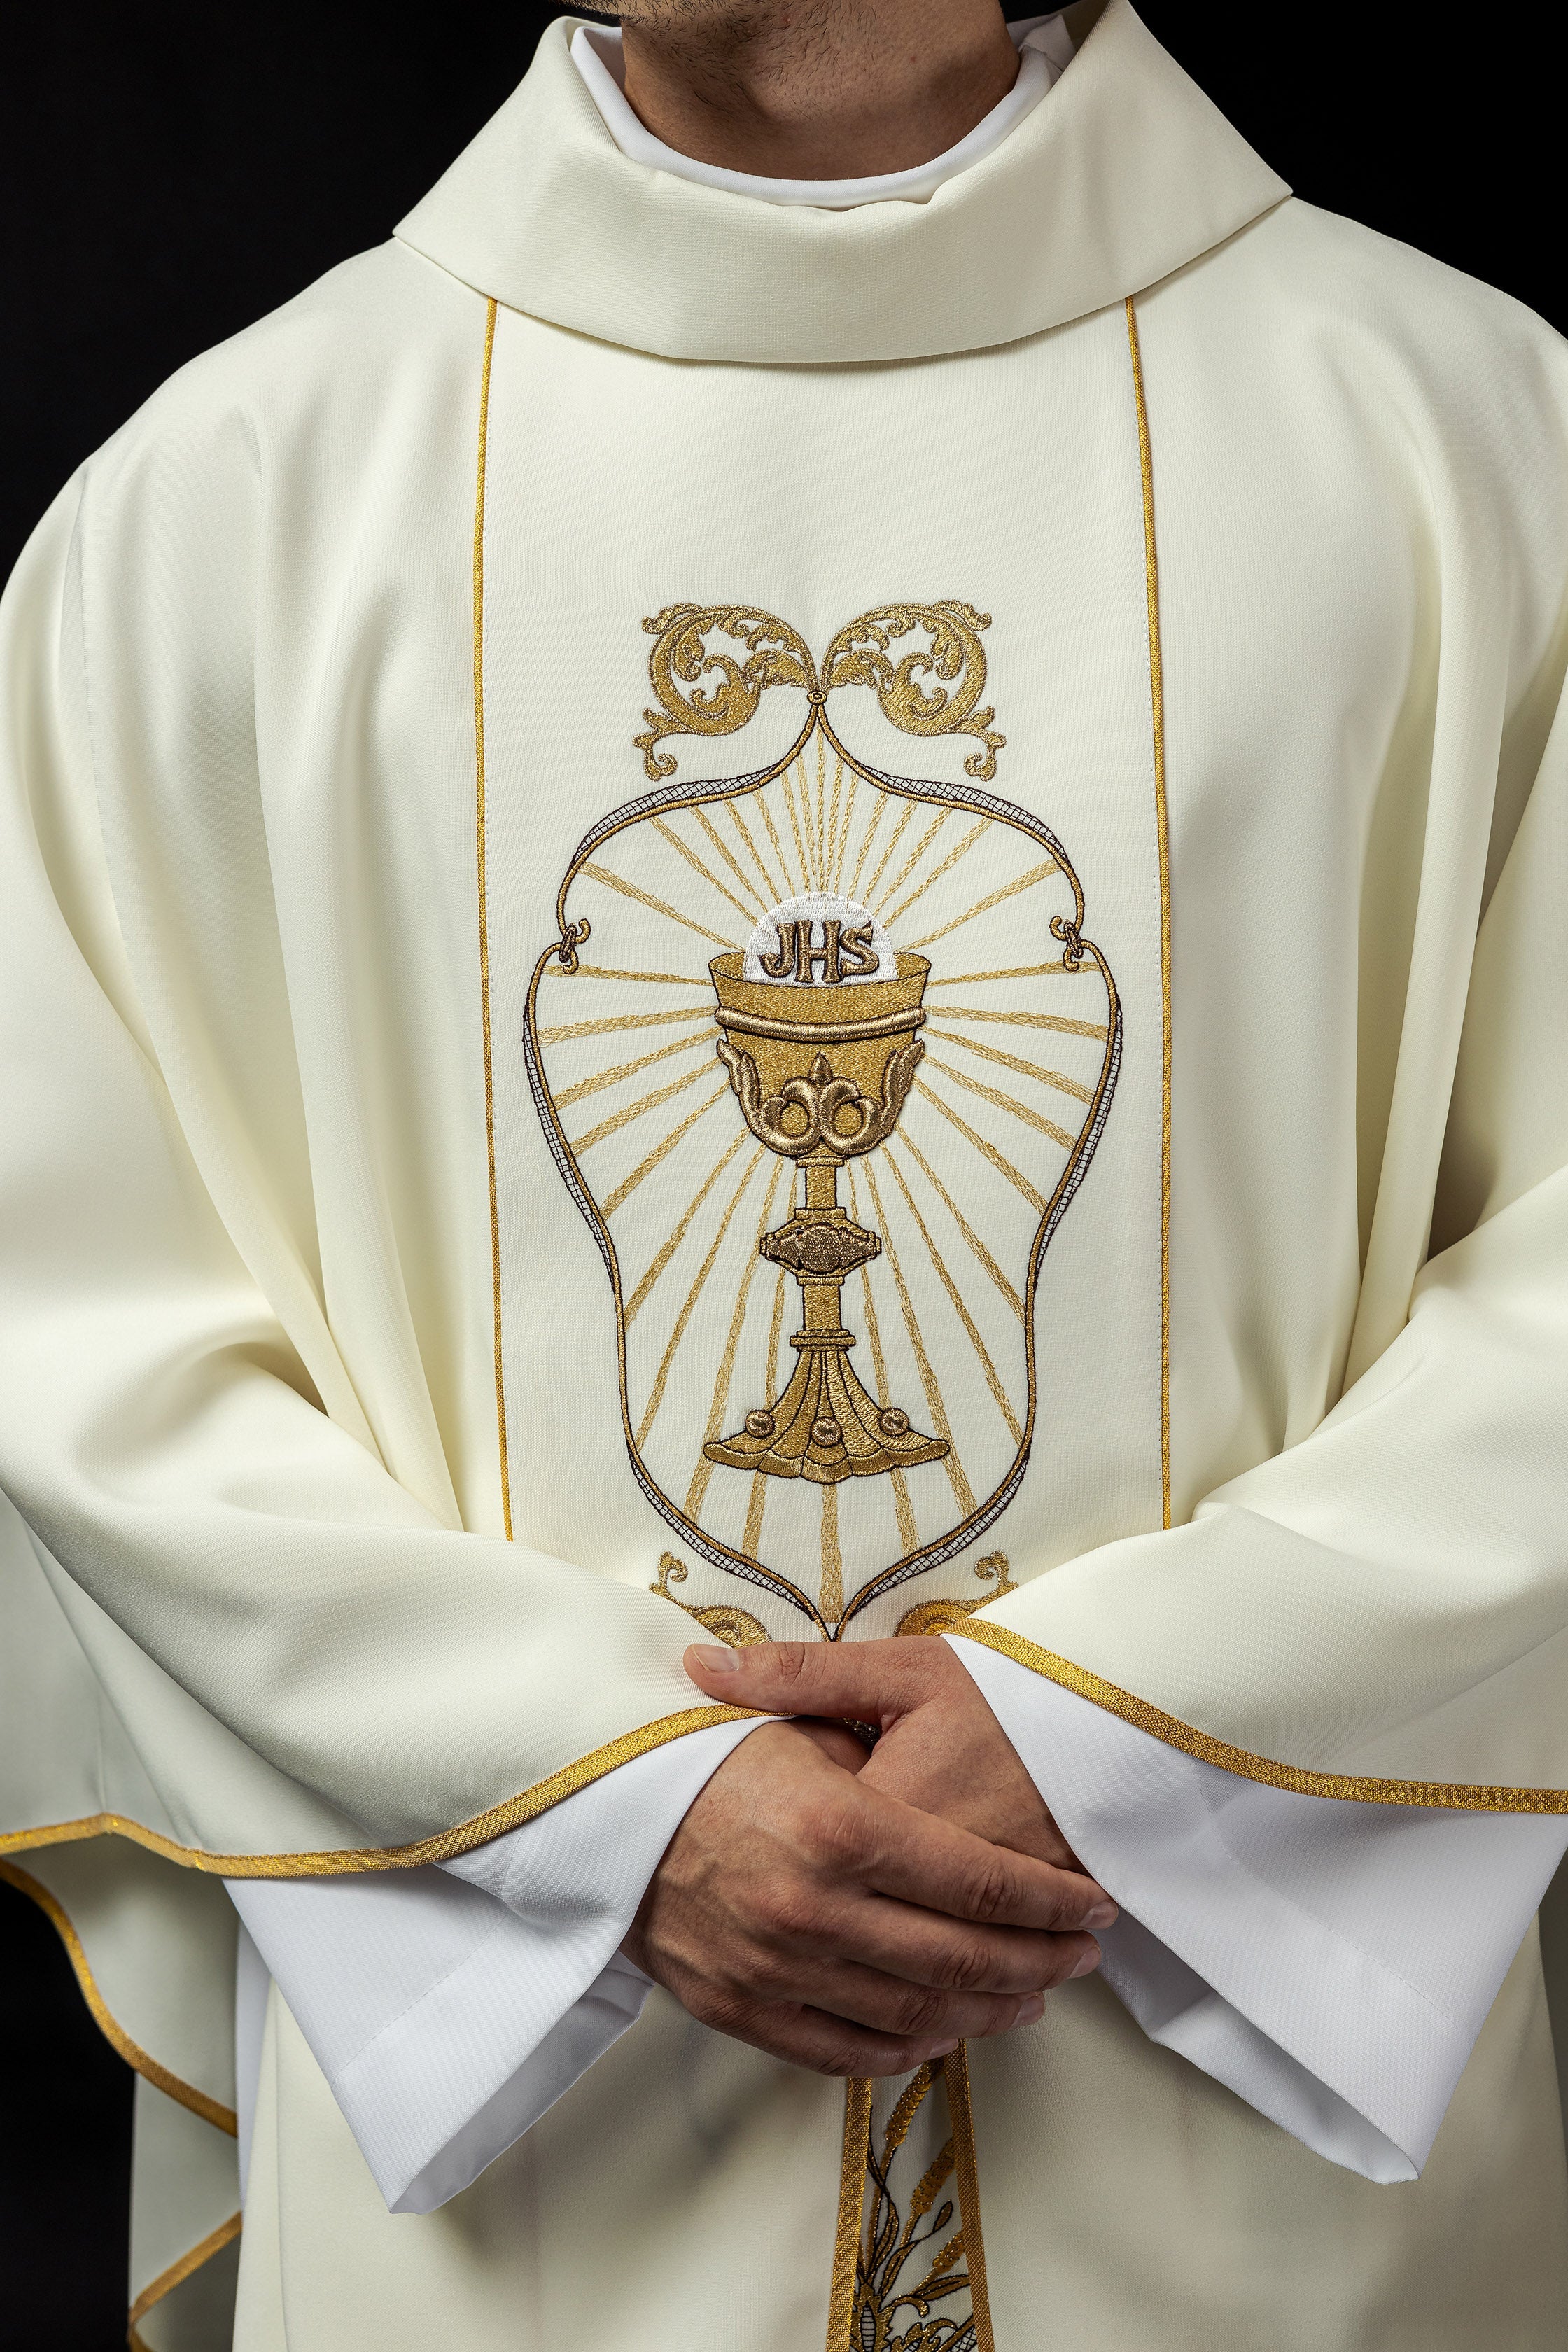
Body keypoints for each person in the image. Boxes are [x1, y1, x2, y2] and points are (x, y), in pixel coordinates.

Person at [3, 2, 1567, 2344]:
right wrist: (596, 1796)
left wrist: (1128, 1724)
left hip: (1242, 2161)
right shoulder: (222, 503)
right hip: (548, 2148)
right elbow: (79, 1324)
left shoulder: (1465, 437)